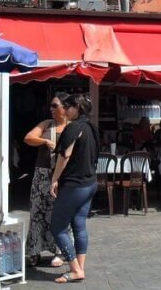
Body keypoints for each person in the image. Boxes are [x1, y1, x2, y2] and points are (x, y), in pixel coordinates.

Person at [50, 93, 99, 284]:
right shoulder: (91, 127)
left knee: (58, 227)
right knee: (79, 225)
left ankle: (75, 269)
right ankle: (79, 267)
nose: (65, 110)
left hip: (75, 185)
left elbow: (65, 156)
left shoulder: (74, 127)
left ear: (77, 109)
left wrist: (54, 179)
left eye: (68, 106)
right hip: (90, 183)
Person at [24, 92, 70, 268]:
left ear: (65, 108)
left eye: (54, 105)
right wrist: (44, 142)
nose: (51, 109)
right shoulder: (46, 124)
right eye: (50, 105)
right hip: (42, 174)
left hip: (62, 176)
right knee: (36, 213)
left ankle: (60, 251)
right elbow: (28, 138)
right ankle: (34, 251)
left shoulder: (71, 127)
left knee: (58, 214)